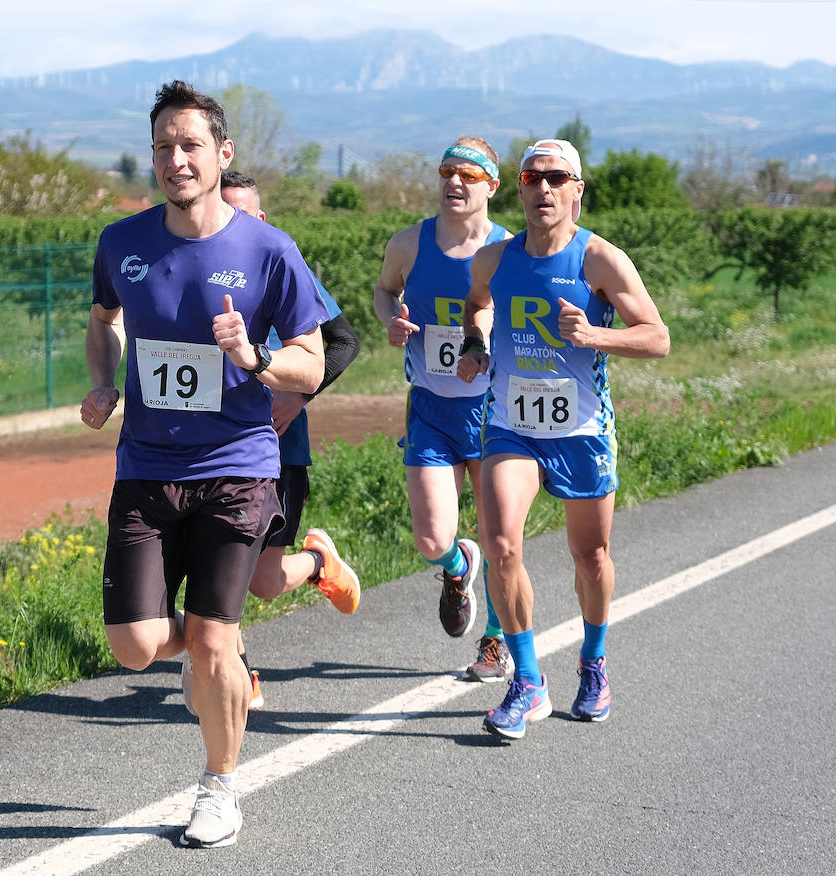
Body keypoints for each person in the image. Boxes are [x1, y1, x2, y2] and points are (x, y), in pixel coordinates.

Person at [80, 80, 330, 848]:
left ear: (222, 154)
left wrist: (254, 358)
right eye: (163, 146)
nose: (176, 159)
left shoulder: (267, 249)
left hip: (237, 466)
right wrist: (101, 380)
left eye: (190, 144)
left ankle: (219, 787)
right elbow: (103, 322)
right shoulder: (122, 244)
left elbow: (312, 365)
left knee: (217, 643)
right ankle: (213, 642)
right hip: (147, 469)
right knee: (132, 645)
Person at [455, 138, 670, 740]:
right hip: (511, 427)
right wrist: (475, 344)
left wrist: (596, 338)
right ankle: (527, 681)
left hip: (580, 431)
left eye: (556, 178)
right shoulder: (494, 260)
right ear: (518, 188)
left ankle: (593, 662)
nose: (543, 189)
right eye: (532, 178)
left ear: (577, 190)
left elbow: (657, 337)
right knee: (500, 544)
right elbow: (477, 308)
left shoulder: (600, 260)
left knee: (590, 555)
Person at [219, 169, 362, 712]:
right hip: (217, 446)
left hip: (282, 447)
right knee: (220, 559)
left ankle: (319, 564)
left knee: (263, 580)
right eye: (223, 209)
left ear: (262, 219)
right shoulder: (199, 260)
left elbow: (343, 342)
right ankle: (239, 670)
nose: (233, 221)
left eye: (244, 213)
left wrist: (299, 397)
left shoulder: (285, 265)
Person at [374, 136, 511, 680]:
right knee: (432, 539)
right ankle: (459, 566)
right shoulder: (409, 244)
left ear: (492, 187)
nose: (455, 182)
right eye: (447, 172)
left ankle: (497, 641)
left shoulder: (506, 250)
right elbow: (385, 290)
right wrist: (390, 319)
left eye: (469, 176)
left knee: (503, 539)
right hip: (430, 406)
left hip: (494, 412)